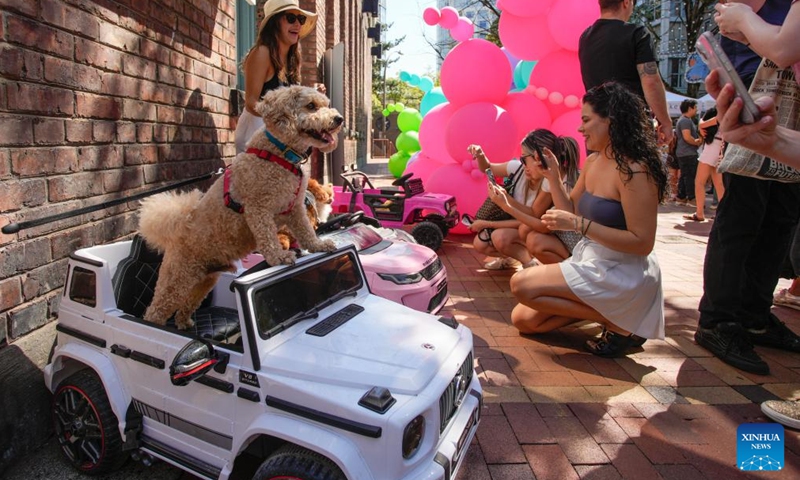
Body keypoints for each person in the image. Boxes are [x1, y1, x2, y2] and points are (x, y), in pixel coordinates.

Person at [508, 82, 666, 358]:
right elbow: (572, 209)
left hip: (624, 271)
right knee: (524, 320)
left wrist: (580, 226)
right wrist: (554, 179)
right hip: (592, 259)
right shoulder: (594, 162)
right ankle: (620, 321)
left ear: (611, 120)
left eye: (586, 120)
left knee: (521, 285)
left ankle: (619, 322)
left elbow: (642, 243)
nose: (579, 128)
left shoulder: (636, 170)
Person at [695, 0, 799, 377]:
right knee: (741, 221)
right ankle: (718, 321)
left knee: (779, 221)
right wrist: (747, 21)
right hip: (754, 106)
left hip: (787, 119)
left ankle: (755, 315)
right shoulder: (746, 10)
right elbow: (782, 48)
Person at [578, 0, 672, 145]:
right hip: (630, 124)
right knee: (634, 167)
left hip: (596, 124)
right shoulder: (637, 33)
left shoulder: (585, 38)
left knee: (599, 166)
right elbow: (651, 81)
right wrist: (665, 122)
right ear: (626, 2)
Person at [234, 0, 318, 154]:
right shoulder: (262, 53)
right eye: (291, 18)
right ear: (274, 22)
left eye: (301, 19)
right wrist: (285, 121)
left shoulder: (292, 61)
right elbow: (251, 103)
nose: (297, 25)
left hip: (278, 144)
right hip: (255, 142)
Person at [466, 131, 557, 270]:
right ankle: (511, 258)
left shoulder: (549, 181)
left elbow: (530, 220)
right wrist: (480, 154)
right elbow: (487, 169)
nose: (522, 163)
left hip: (534, 231)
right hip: (518, 226)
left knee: (500, 237)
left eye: (525, 159)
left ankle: (529, 263)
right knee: (480, 243)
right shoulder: (518, 169)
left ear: (539, 158)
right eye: (521, 159)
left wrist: (504, 202)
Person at [684, 107, 725, 221]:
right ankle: (721, 214)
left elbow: (703, 123)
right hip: (720, 146)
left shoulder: (720, 114)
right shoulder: (727, 114)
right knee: (719, 185)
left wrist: (701, 125)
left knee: (699, 182)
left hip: (712, 147)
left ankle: (700, 213)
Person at [674, 99, 703, 206]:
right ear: (690, 108)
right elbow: (687, 137)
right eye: (695, 108)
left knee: (685, 175)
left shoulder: (682, 120)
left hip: (683, 152)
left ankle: (681, 196)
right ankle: (691, 198)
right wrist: (697, 142)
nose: (696, 110)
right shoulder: (685, 121)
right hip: (688, 152)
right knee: (690, 175)